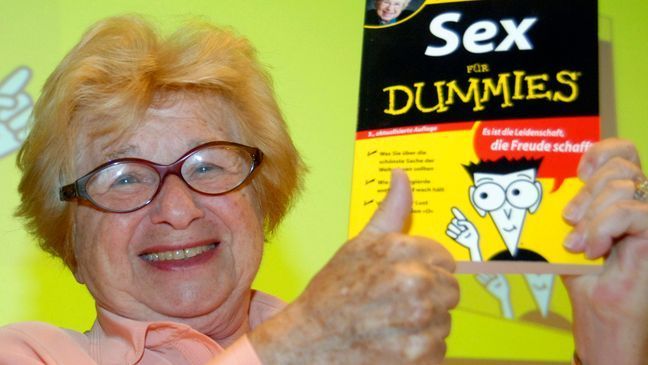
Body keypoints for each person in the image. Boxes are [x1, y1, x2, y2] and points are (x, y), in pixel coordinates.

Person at [0, 15, 646, 365]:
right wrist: (297, 347)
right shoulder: (27, 354)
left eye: (209, 165)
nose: (176, 208)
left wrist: (613, 329)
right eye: (124, 176)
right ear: (70, 240)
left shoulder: (386, 346)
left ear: (261, 198)